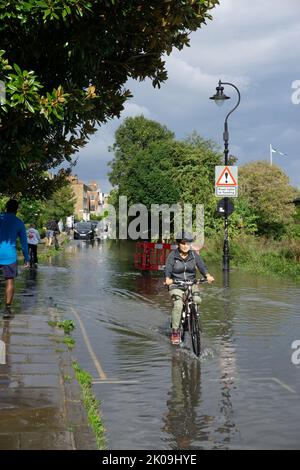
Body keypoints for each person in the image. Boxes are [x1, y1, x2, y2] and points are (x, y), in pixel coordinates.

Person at [164, 231, 214, 345]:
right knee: (178, 305)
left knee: (197, 300)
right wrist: (168, 279)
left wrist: (207, 275)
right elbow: (168, 269)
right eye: (183, 243)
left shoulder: (193, 255)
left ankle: (192, 320)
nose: (186, 246)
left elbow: (201, 266)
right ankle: (175, 331)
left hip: (191, 283)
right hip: (176, 284)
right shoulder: (173, 255)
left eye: (188, 243)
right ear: (178, 244)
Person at [0, 199, 29, 318]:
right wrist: (27, 258)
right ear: (17, 209)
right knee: (10, 281)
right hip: (9, 256)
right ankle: (7, 309)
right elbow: (24, 243)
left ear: (6, 208)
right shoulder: (19, 222)